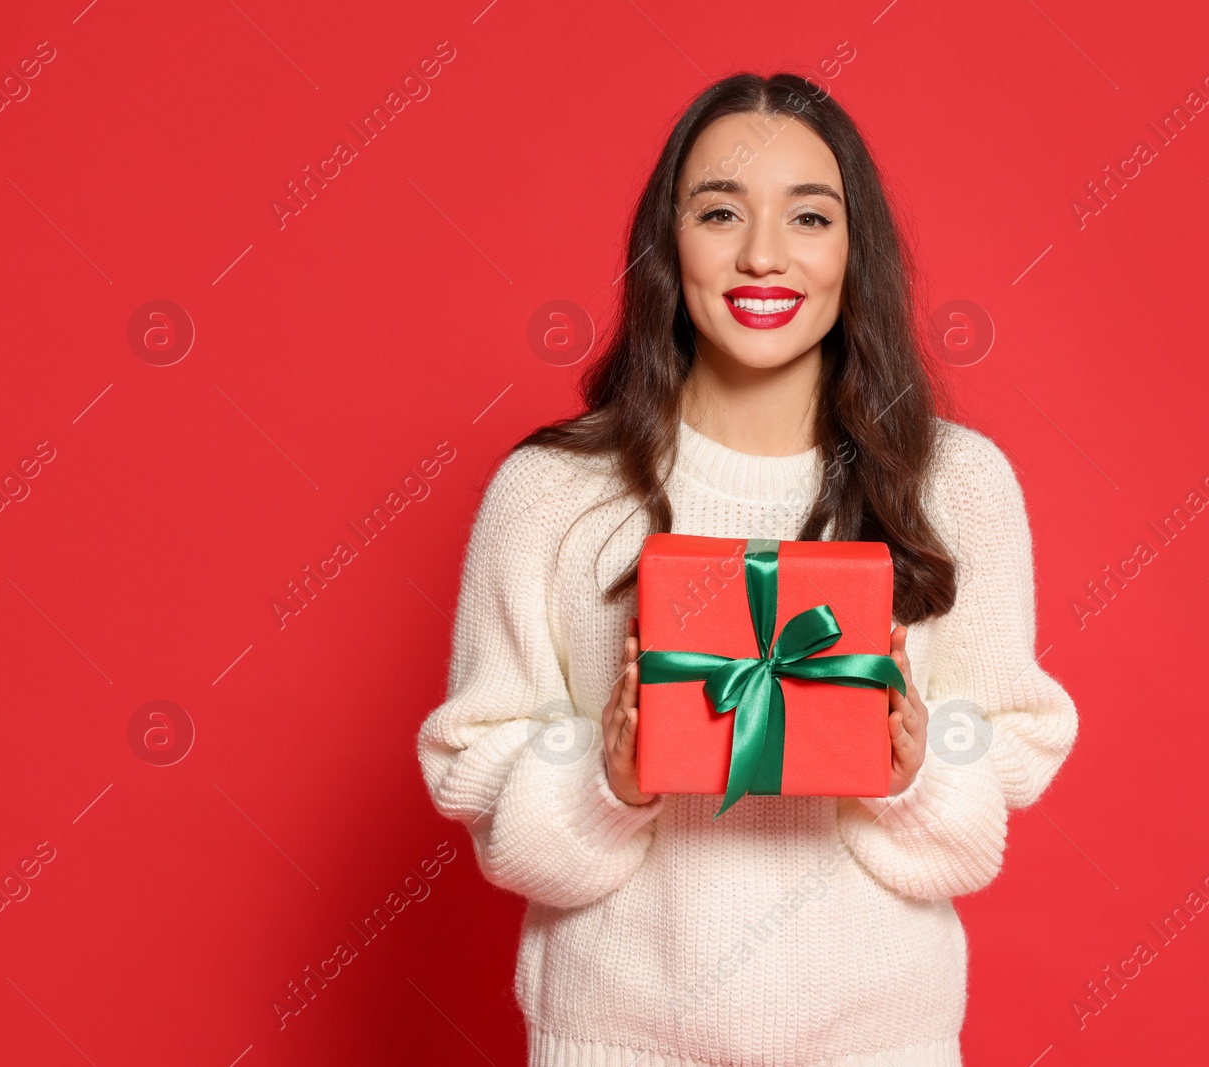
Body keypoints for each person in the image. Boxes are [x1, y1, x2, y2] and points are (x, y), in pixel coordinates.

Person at [416, 71, 1078, 1067]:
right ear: (665, 242)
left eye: (809, 216)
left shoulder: (958, 485)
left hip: (878, 1040)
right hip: (615, 1038)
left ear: (855, 252)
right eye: (719, 210)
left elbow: (993, 783)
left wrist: (914, 766)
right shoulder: (552, 491)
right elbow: (478, 764)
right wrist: (606, 773)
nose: (762, 253)